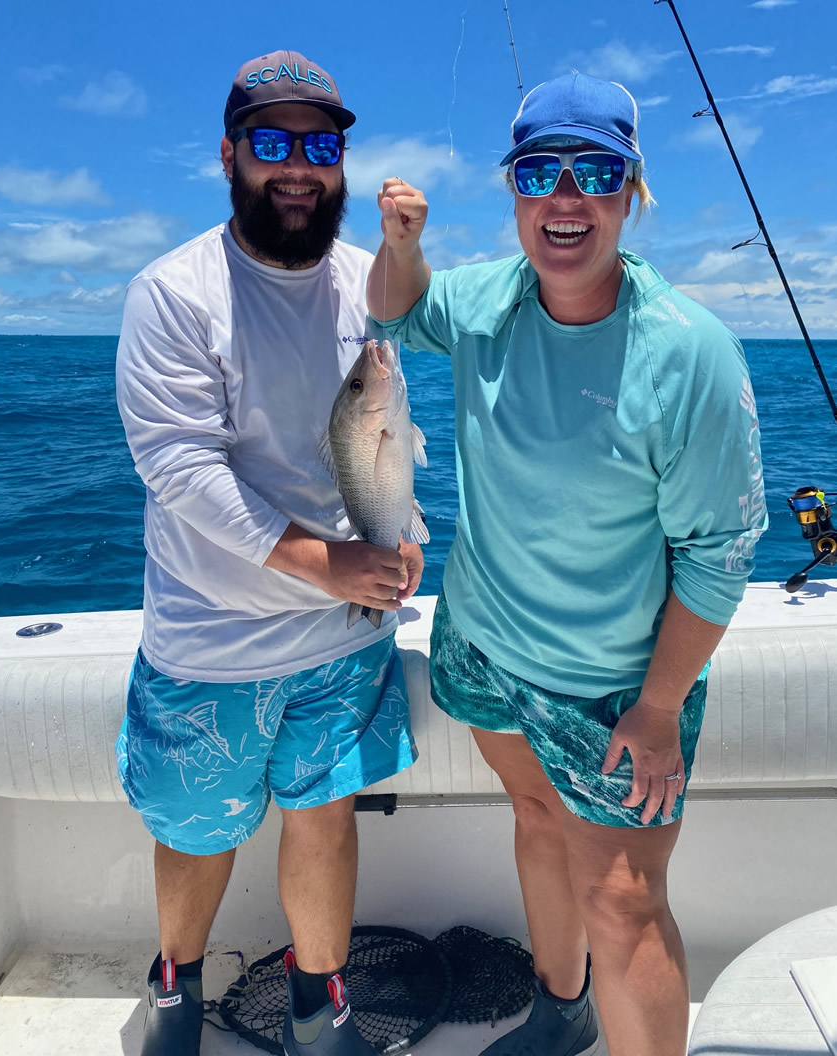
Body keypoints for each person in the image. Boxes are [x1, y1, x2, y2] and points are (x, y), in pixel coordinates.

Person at [367, 73, 767, 1056]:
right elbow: (394, 310)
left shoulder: (688, 353)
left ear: (631, 191)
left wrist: (661, 707)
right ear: (512, 189)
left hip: (612, 690)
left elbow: (719, 561)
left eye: (595, 171)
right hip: (482, 650)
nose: (565, 195)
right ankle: (559, 1008)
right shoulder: (480, 303)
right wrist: (402, 246)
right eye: (539, 170)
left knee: (625, 904)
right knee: (536, 817)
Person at [115, 49, 422, 1056]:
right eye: (272, 143)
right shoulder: (175, 291)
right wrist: (325, 566)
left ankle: (318, 1000)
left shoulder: (360, 288)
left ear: (342, 160)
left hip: (341, 643)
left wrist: (400, 541)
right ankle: (176, 989)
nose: (298, 165)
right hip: (214, 641)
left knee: (324, 821)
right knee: (195, 836)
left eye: (320, 144)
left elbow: (382, 443)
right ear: (229, 155)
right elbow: (177, 464)